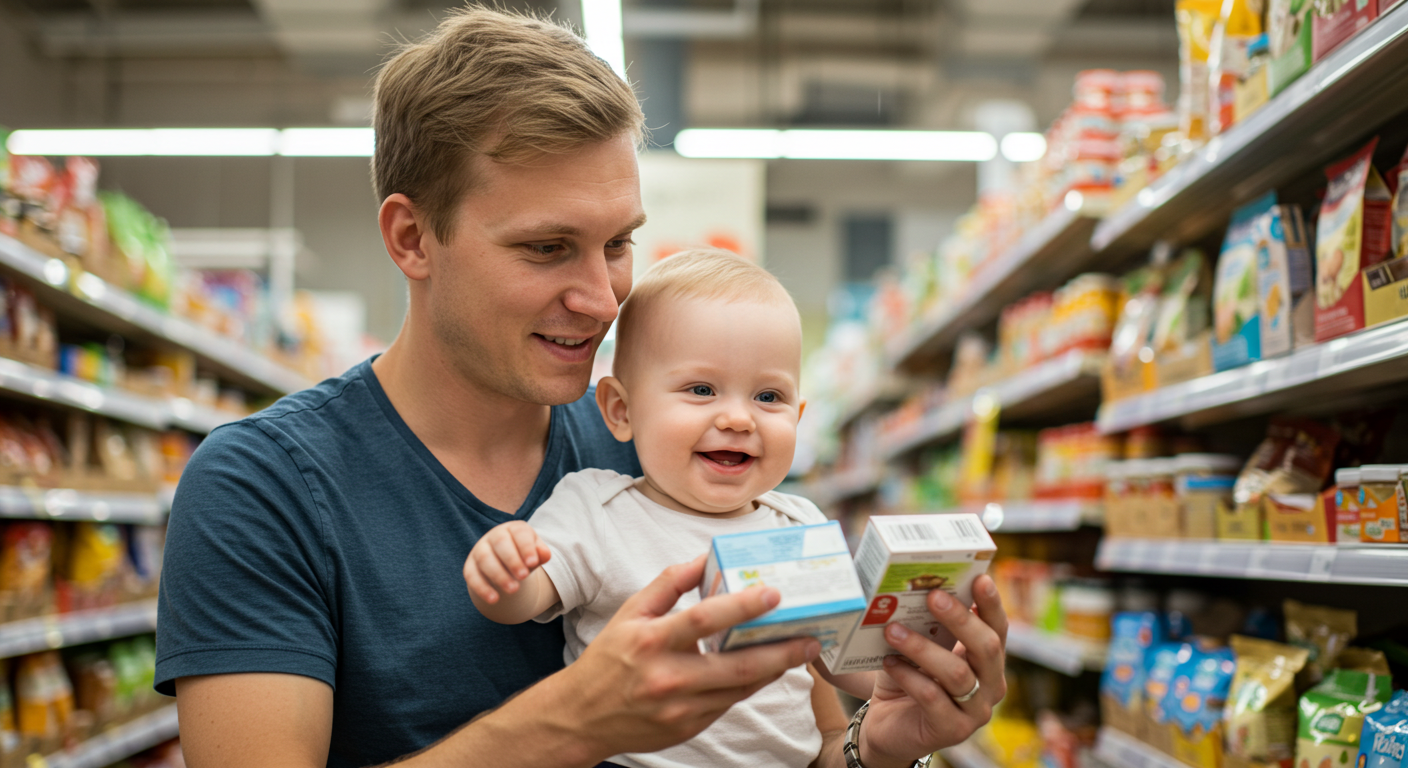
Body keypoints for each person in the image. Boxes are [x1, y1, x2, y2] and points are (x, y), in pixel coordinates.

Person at [156, 7, 1009, 768]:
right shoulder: (261, 488)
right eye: (545, 247)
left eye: (617, 243)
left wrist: (885, 748)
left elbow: (809, 736)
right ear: (413, 238)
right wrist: (572, 724)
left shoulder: (674, 453)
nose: (604, 299)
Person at [465, 250, 878, 767]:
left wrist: (916, 670)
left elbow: (848, 660)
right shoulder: (598, 509)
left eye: (768, 396)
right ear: (621, 409)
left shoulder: (800, 525)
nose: (737, 418)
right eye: (701, 389)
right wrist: (504, 571)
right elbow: (522, 601)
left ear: (798, 416)